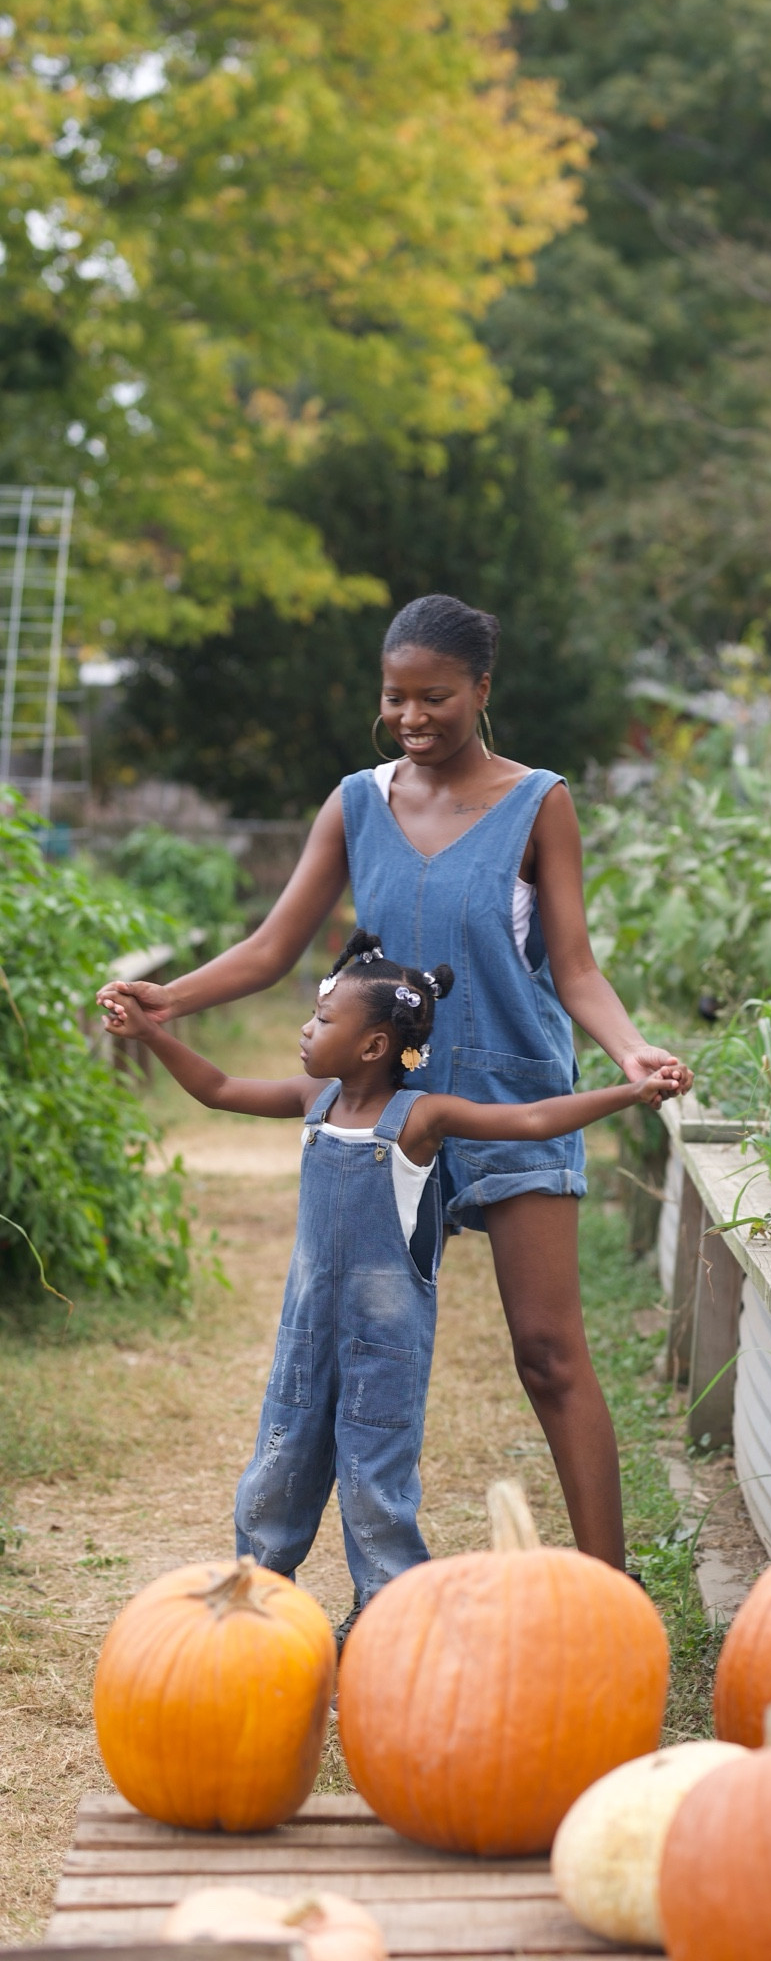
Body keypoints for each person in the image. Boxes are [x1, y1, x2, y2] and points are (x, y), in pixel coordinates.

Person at [98, 593, 691, 1574]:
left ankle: (610, 1587)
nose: (413, 717)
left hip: (509, 1092)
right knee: (345, 1355)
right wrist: (170, 997)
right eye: (396, 697)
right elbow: (269, 946)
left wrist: (629, 1049)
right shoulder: (356, 801)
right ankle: (323, 1565)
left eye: (436, 697)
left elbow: (575, 966)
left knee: (548, 1352)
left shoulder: (538, 801)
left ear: (481, 690)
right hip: (378, 1113)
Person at [101, 928, 679, 1639]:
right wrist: (154, 1035)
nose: (306, 1031)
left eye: (322, 1021)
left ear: (374, 1045)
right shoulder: (315, 1099)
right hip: (306, 1335)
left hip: (386, 1349)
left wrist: (629, 1090)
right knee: (277, 1468)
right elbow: (218, 1089)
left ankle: (388, 1621)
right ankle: (251, 1600)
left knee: (376, 1486)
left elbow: (529, 1120)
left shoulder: (420, 1119)